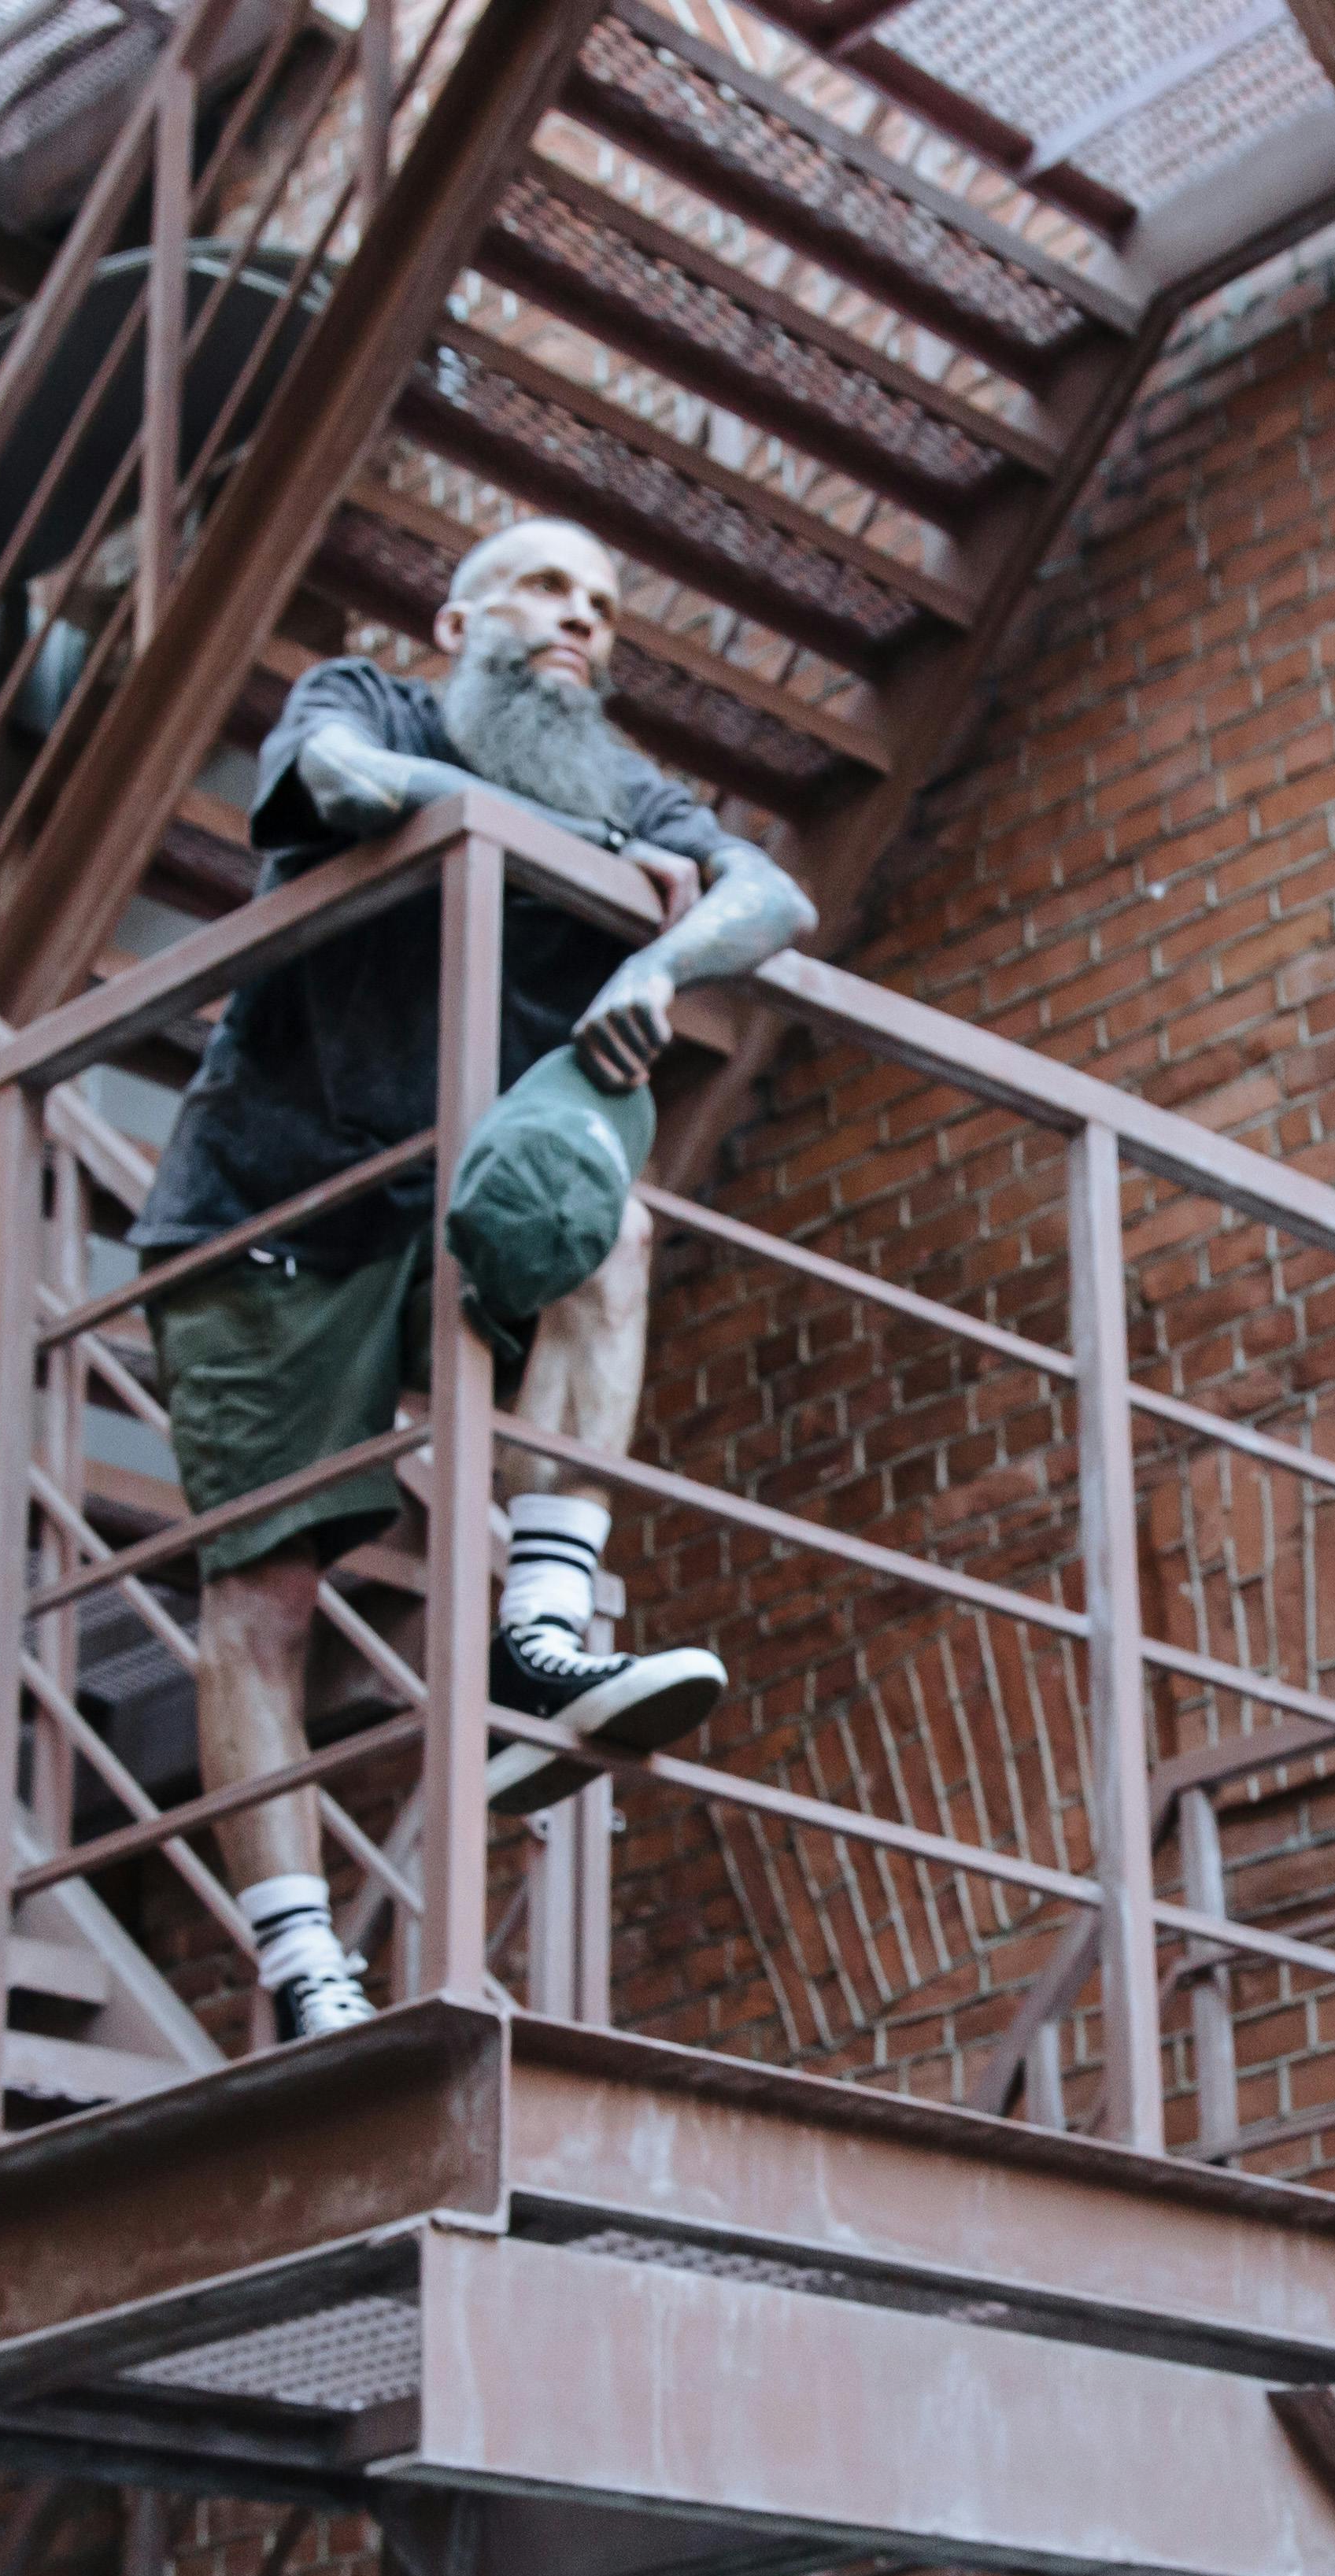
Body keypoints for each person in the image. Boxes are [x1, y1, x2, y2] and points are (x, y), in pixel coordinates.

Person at [131, 517, 815, 2040]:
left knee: (613, 1233)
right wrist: (580, 859)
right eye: (549, 588)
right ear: (459, 618)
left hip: (442, 1203)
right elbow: (343, 792)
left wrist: (659, 957)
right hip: (274, 1213)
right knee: (267, 1598)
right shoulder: (366, 696)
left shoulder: (605, 776)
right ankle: (307, 1968)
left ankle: (542, 1632)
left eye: (607, 603)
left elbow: (772, 898)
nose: (583, 619)